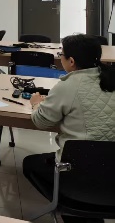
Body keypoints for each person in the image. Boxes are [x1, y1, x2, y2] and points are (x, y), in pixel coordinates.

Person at [23, 34, 115, 223]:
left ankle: (68, 205)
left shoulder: (68, 85)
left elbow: (41, 121)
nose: (60, 58)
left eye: (61, 55)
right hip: (111, 167)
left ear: (71, 61)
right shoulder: (110, 77)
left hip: (79, 169)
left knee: (30, 164)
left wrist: (36, 103)